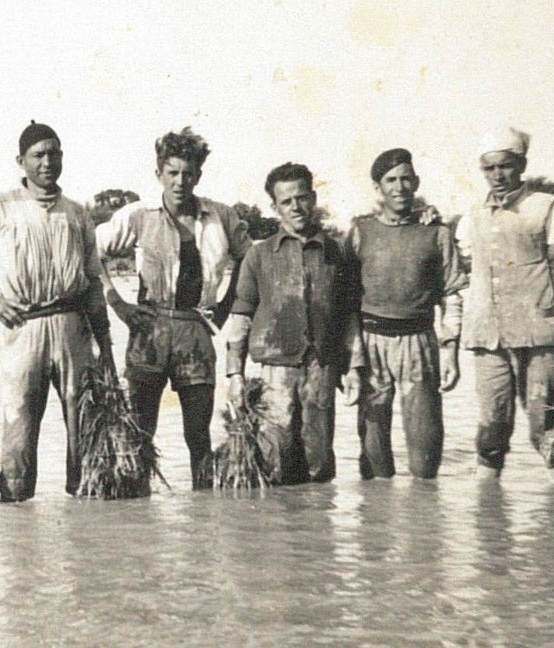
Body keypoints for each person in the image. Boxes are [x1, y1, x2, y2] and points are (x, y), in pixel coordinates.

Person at [0, 121, 113, 502]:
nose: (48, 162)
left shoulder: (78, 214)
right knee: (18, 431)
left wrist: (107, 350)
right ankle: (15, 516)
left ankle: (87, 520)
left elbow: (94, 283)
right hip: (24, 327)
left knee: (84, 430)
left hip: (72, 326)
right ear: (21, 161)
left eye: (55, 153)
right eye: (39, 155)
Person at [96, 127, 249, 489]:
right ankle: (137, 512)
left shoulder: (221, 217)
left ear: (199, 174)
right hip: (149, 328)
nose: (181, 181)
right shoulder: (139, 215)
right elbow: (91, 252)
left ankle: (203, 512)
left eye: (189, 173)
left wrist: (226, 306)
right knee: (139, 432)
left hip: (196, 329)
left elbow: (249, 261)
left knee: (198, 435)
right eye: (173, 173)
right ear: (159, 174)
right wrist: (117, 303)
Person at [225, 163, 357, 484]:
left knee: (319, 459)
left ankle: (317, 529)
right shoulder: (258, 256)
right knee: (275, 459)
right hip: (274, 371)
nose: (295, 207)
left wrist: (354, 367)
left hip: (321, 367)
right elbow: (241, 315)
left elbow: (350, 314)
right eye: (286, 201)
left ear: (313, 198)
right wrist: (234, 375)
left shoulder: (336, 251)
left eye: (301, 198)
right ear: (274, 207)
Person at [345, 148, 466, 479]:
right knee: (373, 455)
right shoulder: (359, 231)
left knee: (425, 457)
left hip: (419, 342)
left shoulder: (436, 232)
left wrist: (451, 350)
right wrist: (353, 363)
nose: (399, 187)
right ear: (378, 187)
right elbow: (346, 301)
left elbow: (453, 294)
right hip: (371, 343)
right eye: (391, 180)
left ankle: (423, 521)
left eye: (406, 179)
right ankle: (376, 523)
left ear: (416, 183)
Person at [454, 128, 554, 479]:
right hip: (488, 334)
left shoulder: (545, 207)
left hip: (539, 335)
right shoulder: (472, 216)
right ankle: (489, 508)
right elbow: (455, 266)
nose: (498, 175)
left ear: (521, 165)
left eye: (506, 166)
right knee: (492, 423)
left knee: (545, 420)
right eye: (489, 168)